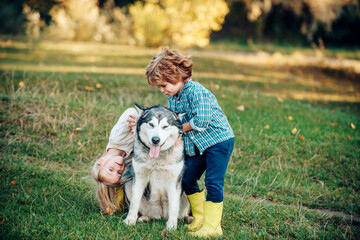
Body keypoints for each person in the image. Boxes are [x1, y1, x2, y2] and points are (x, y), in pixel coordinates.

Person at [145, 47, 234, 238]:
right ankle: (200, 218)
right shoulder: (173, 98)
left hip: (218, 141)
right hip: (199, 146)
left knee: (213, 181)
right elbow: (174, 123)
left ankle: (213, 227)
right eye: (159, 87)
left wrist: (179, 130)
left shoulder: (196, 91)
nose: (162, 90)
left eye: (164, 85)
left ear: (177, 75)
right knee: (186, 177)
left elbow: (202, 121)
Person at [91, 108, 139, 213]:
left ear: (101, 161)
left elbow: (131, 112)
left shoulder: (116, 137)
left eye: (111, 169)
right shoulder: (128, 161)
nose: (118, 168)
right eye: (119, 172)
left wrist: (137, 128)